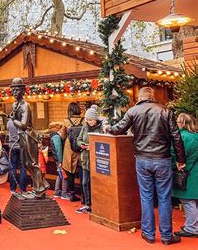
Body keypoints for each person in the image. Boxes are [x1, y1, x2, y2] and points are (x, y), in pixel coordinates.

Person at [105, 87, 186, 245]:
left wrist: (108, 127)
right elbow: (176, 136)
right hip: (163, 159)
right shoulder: (165, 111)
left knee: (146, 196)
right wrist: (180, 159)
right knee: (164, 198)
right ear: (153, 96)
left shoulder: (133, 111)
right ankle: (166, 236)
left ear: (140, 97)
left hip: (142, 160)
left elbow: (118, 129)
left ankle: (149, 234)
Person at [171, 113, 197, 238]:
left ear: (182, 123)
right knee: (194, 201)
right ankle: (193, 225)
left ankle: (192, 228)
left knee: (188, 200)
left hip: (188, 173)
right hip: (195, 172)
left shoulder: (182, 137)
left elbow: (176, 155)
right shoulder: (195, 136)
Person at [76, 105, 103, 214]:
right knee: (85, 183)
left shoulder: (101, 128)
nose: (88, 122)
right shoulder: (85, 126)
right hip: (85, 160)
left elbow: (103, 142)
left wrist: (93, 147)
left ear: (95, 119)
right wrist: (81, 144)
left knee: (96, 184)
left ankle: (98, 205)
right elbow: (78, 139)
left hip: (97, 161)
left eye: (90, 120)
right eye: (87, 119)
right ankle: (88, 205)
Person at [62, 102, 83, 202]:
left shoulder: (66, 121)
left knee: (70, 173)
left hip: (69, 149)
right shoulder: (83, 120)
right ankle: (84, 195)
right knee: (83, 172)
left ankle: (72, 194)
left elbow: (62, 136)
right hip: (81, 148)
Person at [7, 118, 27, 196]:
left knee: (12, 167)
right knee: (23, 168)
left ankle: (12, 188)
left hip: (12, 146)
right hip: (22, 146)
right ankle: (23, 189)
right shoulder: (23, 122)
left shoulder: (9, 122)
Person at [49, 122, 68, 199]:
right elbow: (59, 150)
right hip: (59, 159)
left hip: (57, 159)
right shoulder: (56, 137)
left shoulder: (53, 136)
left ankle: (57, 191)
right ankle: (64, 192)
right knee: (64, 175)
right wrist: (60, 161)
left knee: (59, 174)